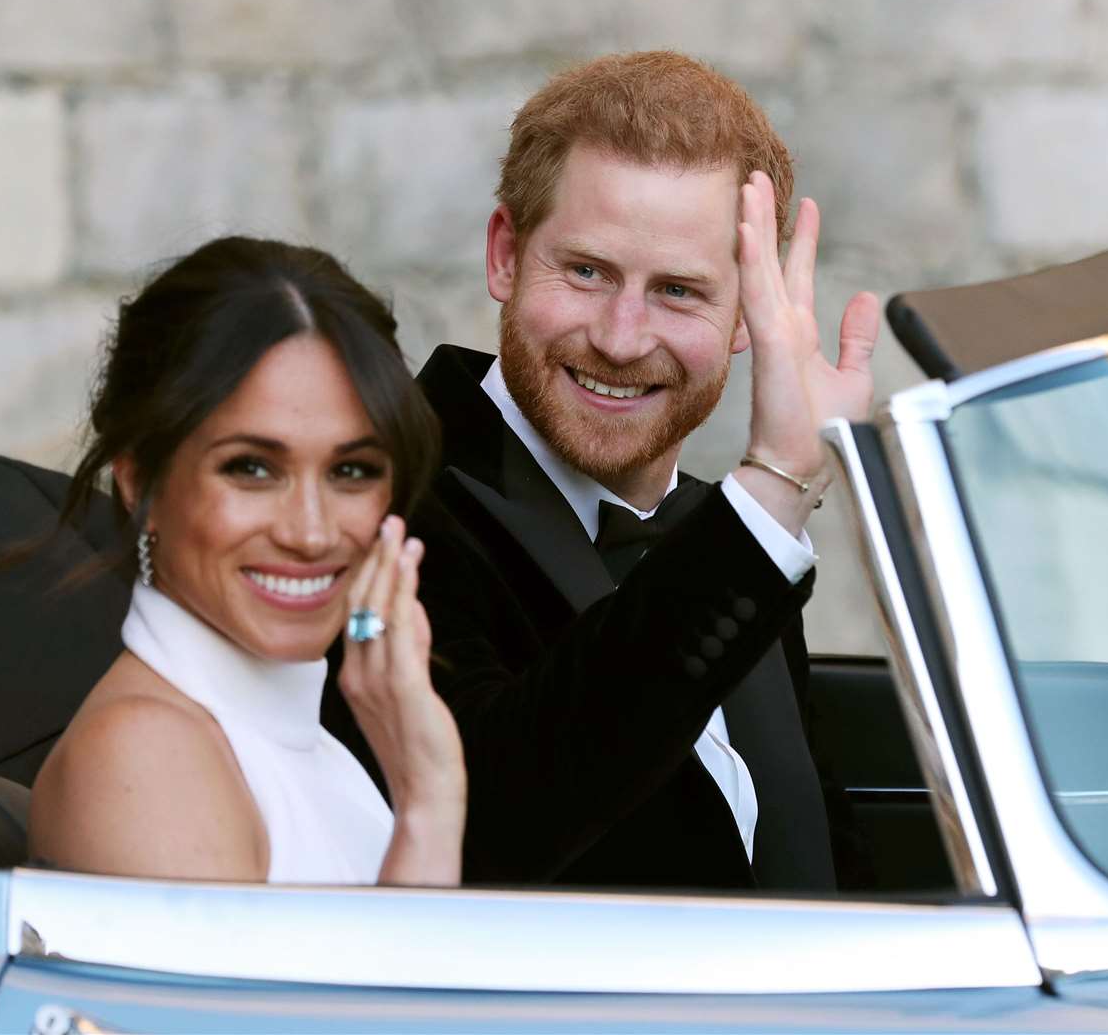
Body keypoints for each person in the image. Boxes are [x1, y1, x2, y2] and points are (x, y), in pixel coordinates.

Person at [324, 52, 880, 890]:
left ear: (745, 317)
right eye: (586, 272)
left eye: (680, 292)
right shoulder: (380, 499)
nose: (621, 338)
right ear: (506, 255)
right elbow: (488, 828)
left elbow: (813, 857)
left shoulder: (722, 534)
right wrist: (772, 491)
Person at [29, 237, 466, 886]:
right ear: (138, 481)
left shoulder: (303, 743)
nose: (312, 533)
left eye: (351, 470)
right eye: (252, 469)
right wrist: (429, 807)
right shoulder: (145, 756)